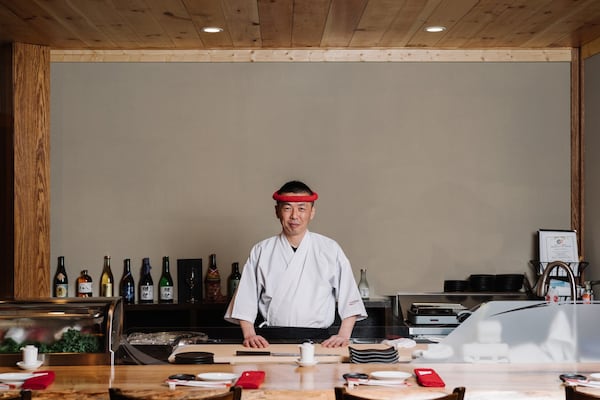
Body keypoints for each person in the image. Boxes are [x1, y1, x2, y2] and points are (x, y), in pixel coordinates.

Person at [224, 180, 367, 348]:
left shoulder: (330, 249)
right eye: (287, 208)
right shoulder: (262, 250)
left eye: (301, 208)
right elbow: (245, 298)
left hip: (319, 341)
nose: (294, 216)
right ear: (277, 211)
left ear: (312, 212)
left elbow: (350, 297)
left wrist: (343, 335)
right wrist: (249, 334)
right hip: (272, 340)